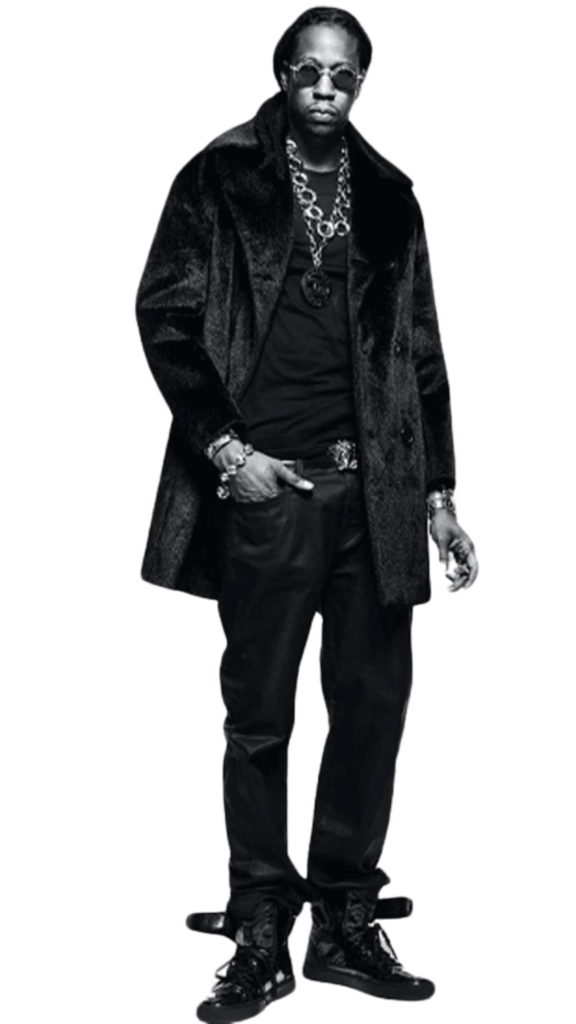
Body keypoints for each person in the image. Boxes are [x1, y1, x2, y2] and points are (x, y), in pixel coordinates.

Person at [134, 6, 480, 1021]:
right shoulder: (220, 173)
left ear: (363, 83)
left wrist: (443, 504)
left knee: (374, 703)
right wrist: (227, 452)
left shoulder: (391, 193)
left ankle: (344, 920)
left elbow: (426, 359)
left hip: (378, 493)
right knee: (260, 713)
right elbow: (163, 317)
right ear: (283, 74)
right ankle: (257, 927)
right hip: (271, 485)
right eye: (310, 70)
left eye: (345, 74)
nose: (326, 88)